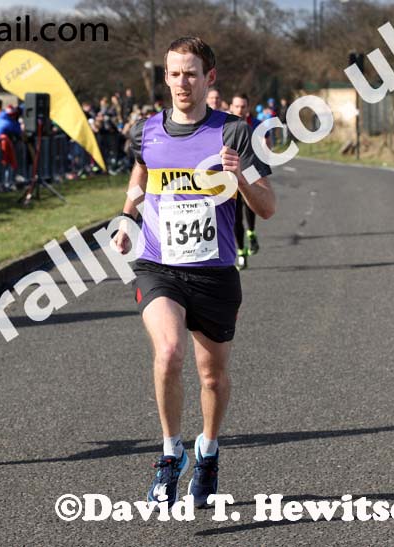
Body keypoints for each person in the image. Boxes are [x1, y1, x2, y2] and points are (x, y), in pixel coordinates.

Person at [113, 37, 275, 507]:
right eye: (174, 73)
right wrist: (127, 217)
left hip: (214, 271)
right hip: (158, 264)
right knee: (168, 352)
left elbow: (267, 209)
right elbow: (141, 174)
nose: (181, 83)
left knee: (211, 378)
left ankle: (208, 450)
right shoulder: (147, 131)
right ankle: (170, 454)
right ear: (164, 77)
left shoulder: (234, 133)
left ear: (210, 78)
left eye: (190, 73)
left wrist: (240, 177)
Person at [228, 93, 262, 268]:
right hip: (231, 175)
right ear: (231, 107)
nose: (240, 110)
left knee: (249, 205)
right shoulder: (224, 126)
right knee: (235, 216)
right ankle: (241, 252)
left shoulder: (255, 124)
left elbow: (266, 145)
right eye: (237, 106)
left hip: (250, 171)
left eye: (243, 107)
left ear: (248, 109)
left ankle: (251, 232)